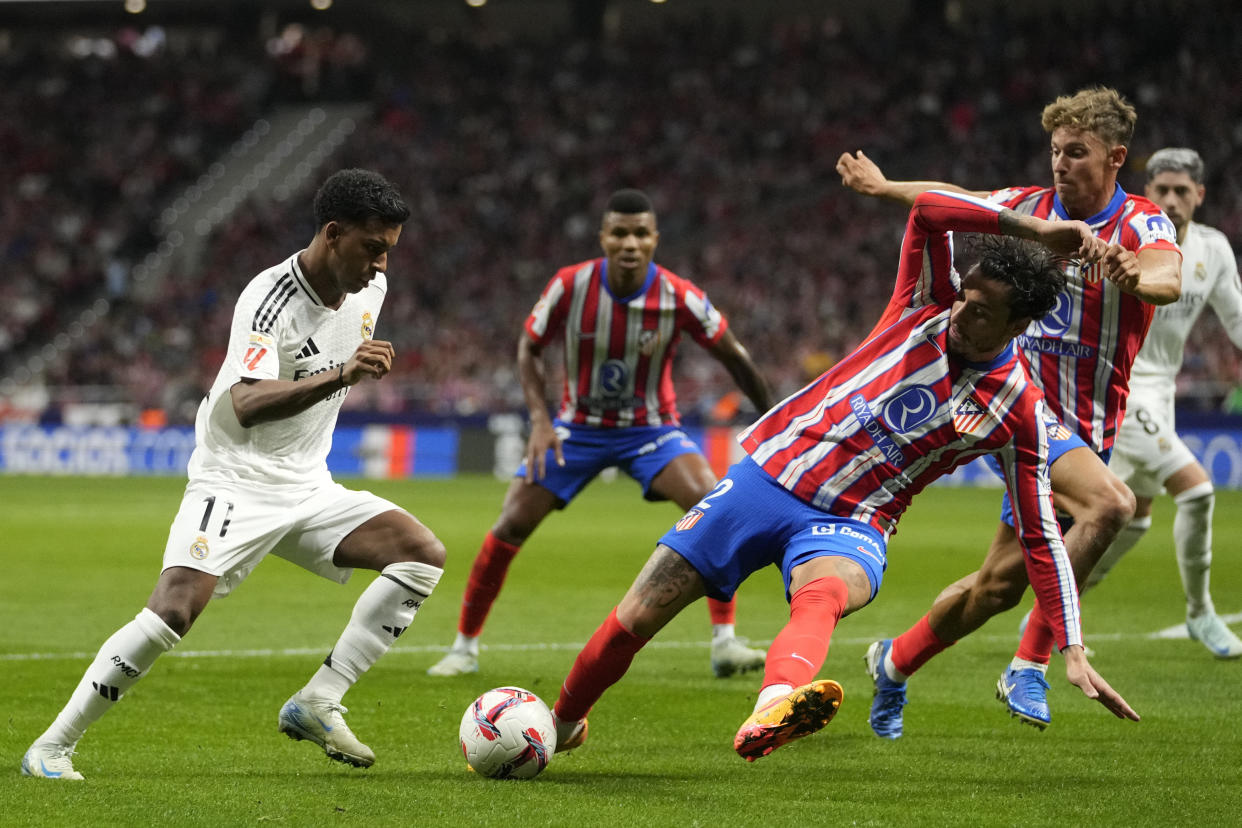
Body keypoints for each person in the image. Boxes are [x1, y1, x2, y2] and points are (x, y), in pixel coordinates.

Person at [546, 189, 1139, 764]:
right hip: (769, 475)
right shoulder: (923, 303)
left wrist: (1071, 646)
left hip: (852, 522)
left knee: (823, 595)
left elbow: (1040, 534)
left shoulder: (1018, 410)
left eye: (981, 312)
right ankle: (561, 725)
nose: (961, 312)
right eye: (965, 296)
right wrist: (1031, 228)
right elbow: (929, 210)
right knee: (639, 612)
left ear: (1019, 327)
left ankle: (775, 706)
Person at [22, 169, 446, 780]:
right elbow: (245, 402)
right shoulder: (268, 297)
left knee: (420, 555)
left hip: (306, 483)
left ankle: (318, 700)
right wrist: (342, 375)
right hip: (236, 475)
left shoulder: (369, 292)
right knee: (173, 610)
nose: (381, 265)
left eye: (389, 250)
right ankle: (52, 747)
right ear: (332, 234)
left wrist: (344, 372)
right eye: (372, 248)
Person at [836, 86, 1182, 737]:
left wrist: (1133, 277)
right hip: (1013, 407)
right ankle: (1030, 665)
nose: (1060, 163)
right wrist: (884, 189)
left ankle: (894, 662)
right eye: (1055, 151)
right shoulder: (1030, 210)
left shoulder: (1139, 222)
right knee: (1111, 505)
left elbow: (1168, 278)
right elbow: (947, 198)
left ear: (1115, 157)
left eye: (1076, 152)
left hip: (1085, 427)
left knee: (997, 587)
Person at [426, 189, 773, 680]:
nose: (629, 243)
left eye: (640, 233)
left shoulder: (679, 295)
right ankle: (464, 647)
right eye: (619, 233)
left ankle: (725, 643)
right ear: (603, 238)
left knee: (712, 510)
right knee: (510, 525)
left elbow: (735, 356)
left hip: (651, 430)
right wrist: (541, 422)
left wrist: (773, 420)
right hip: (576, 429)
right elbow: (529, 346)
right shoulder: (570, 286)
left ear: (655, 239)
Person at [1081, 148, 1242, 657]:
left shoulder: (1213, 250)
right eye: (1162, 190)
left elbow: (1236, 321)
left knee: (1136, 517)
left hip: (1162, 391)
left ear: (1200, 195)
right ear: (1146, 192)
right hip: (1120, 385)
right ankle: (1200, 614)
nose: (1171, 201)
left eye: (1182, 191)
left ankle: (1059, 607)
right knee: (1196, 492)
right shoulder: (1127, 234)